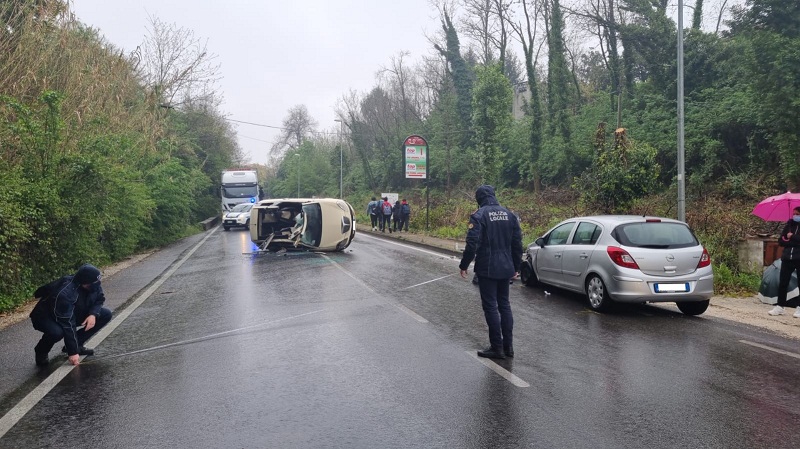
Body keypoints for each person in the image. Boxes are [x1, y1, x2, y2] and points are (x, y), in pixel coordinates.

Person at [459, 185, 523, 359]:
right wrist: (516, 267)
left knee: (491, 307)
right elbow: (517, 244)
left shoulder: (479, 216)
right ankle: (508, 347)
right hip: (506, 267)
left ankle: (497, 348)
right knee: (504, 305)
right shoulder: (510, 215)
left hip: (487, 268)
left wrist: (464, 265)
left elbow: (472, 244)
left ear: (479, 199)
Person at [29, 264, 113, 366]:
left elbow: (99, 299)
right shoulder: (65, 294)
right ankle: (41, 351)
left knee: (105, 314)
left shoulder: (93, 284)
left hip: (71, 312)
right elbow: (68, 323)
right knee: (57, 333)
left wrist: (93, 314)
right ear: (85, 282)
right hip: (45, 316)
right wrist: (72, 352)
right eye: (95, 282)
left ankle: (77, 344)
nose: (98, 284)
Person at [769, 206, 800, 317]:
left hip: (798, 258)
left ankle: (799, 307)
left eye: (797, 213)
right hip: (787, 257)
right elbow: (781, 240)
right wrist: (790, 239)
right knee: (783, 282)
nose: (795, 216)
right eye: (794, 214)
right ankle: (780, 306)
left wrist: (793, 237)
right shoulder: (789, 225)